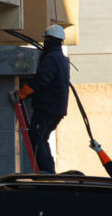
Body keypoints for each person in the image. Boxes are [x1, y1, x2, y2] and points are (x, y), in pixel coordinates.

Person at [9, 25, 70, 174]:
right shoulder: (61, 58)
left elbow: (42, 79)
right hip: (56, 109)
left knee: (36, 137)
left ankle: (46, 170)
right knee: (42, 138)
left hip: (46, 108)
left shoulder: (50, 58)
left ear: (48, 39)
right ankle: (49, 169)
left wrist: (22, 93)